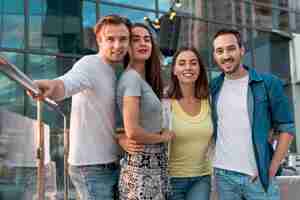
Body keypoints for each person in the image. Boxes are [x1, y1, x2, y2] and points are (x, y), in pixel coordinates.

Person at [30, 15, 131, 200]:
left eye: (123, 39)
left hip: (113, 163)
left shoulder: (119, 70)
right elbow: (66, 84)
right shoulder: (90, 64)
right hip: (91, 168)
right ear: (99, 40)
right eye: (110, 39)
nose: (117, 45)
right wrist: (50, 85)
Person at [210, 28, 295, 200]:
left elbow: (287, 128)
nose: (225, 55)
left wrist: (271, 168)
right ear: (215, 55)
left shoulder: (267, 83)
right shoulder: (213, 87)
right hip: (224, 177)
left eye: (231, 48)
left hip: (258, 178)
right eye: (220, 51)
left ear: (242, 50)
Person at [116, 23, 175, 200]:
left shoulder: (140, 79)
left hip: (150, 166)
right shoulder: (132, 79)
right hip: (141, 168)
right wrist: (163, 137)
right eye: (136, 40)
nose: (143, 43)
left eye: (147, 39)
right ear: (127, 46)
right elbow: (132, 131)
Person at [162, 47, 213, 200]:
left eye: (193, 63)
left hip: (202, 177)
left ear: (199, 69)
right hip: (171, 179)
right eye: (182, 63)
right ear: (174, 70)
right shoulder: (164, 103)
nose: (188, 67)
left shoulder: (209, 100)